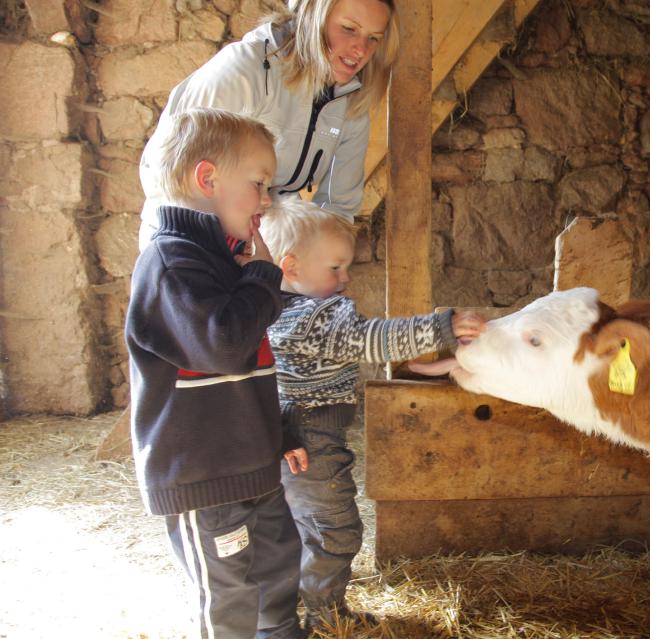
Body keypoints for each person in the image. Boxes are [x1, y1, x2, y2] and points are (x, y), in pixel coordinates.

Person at [258, 198, 486, 631]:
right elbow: (373, 340)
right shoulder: (316, 316)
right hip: (312, 438)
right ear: (290, 266)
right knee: (335, 529)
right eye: (335, 269)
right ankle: (325, 616)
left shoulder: (271, 311)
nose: (346, 279)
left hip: (286, 433)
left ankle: (284, 612)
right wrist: (442, 329)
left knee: (295, 528)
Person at [125, 107, 310, 639]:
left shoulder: (227, 261)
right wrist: (263, 277)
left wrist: (279, 431)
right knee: (225, 593)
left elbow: (252, 366)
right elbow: (225, 345)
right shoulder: (170, 264)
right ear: (207, 179)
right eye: (258, 184)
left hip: (251, 464)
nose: (266, 201)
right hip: (201, 476)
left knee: (277, 568)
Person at [138, 0, 399, 250]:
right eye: (349, 29)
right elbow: (169, 174)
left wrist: (319, 267)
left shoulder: (351, 101)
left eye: (373, 38)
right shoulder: (244, 71)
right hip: (188, 246)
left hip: (262, 245)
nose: (361, 49)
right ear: (313, 14)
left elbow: (337, 207)